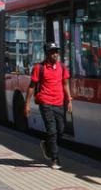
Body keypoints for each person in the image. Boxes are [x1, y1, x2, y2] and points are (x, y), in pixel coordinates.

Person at [24, 42, 71, 170]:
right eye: (52, 52)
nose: (55, 54)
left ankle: (46, 145)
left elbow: (65, 84)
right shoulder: (39, 68)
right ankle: (55, 158)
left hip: (59, 103)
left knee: (60, 130)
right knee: (52, 130)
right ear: (47, 53)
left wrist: (69, 99)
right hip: (45, 102)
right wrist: (27, 104)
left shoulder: (62, 67)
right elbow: (32, 86)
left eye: (57, 51)